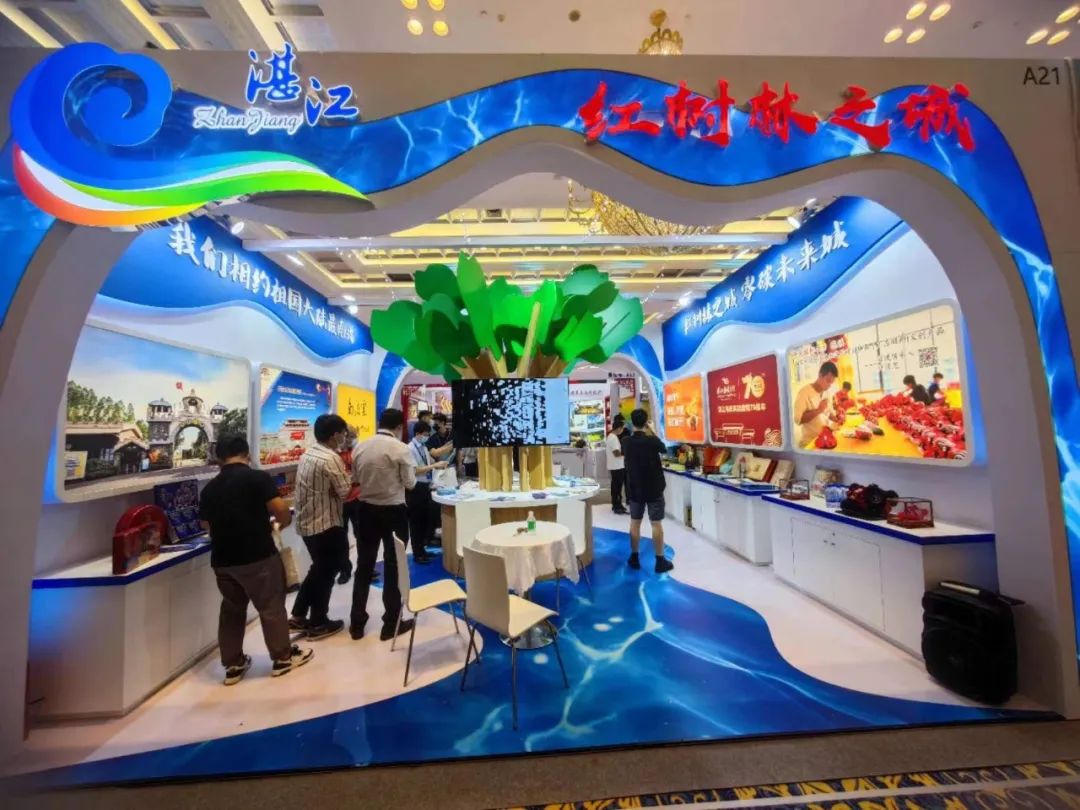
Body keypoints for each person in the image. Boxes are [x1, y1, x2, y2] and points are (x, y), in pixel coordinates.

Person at [198, 435, 313, 684]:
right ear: (246, 453)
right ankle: (282, 658)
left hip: (223, 561)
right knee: (271, 607)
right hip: (257, 555)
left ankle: (233, 664)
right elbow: (281, 510)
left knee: (231, 610)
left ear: (219, 458)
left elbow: (206, 524)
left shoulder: (210, 488)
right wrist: (279, 524)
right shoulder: (256, 478)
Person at [350, 408, 416, 642]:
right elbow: (410, 483)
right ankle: (391, 624)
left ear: (380, 422)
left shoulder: (361, 447)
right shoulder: (401, 448)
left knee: (364, 565)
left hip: (366, 510)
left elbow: (355, 479)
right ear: (400, 427)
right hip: (393, 511)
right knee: (393, 565)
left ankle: (356, 624)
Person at [290, 414, 351, 641]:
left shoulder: (308, 453)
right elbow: (345, 492)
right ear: (335, 435)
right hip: (326, 524)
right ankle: (318, 622)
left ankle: (298, 615)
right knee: (326, 573)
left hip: (308, 523)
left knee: (318, 569)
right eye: (343, 433)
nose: (345, 437)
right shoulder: (331, 458)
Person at [623, 409, 673, 574]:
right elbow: (664, 449)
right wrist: (651, 430)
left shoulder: (626, 442)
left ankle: (634, 557)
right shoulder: (652, 441)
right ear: (645, 422)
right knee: (656, 523)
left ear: (632, 422)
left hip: (635, 488)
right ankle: (660, 561)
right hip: (654, 488)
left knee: (635, 522)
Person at [406, 420, 448, 564]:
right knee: (416, 522)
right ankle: (417, 553)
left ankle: (423, 549)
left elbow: (429, 463)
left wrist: (438, 465)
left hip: (426, 486)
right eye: (425, 434)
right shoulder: (410, 449)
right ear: (417, 433)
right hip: (416, 487)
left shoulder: (423, 447)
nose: (427, 437)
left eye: (428, 434)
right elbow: (415, 470)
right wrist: (434, 466)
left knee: (425, 520)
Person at [794, 361, 839, 446]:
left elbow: (828, 413)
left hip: (825, 439)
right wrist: (818, 410)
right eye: (828, 381)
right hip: (810, 443)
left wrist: (836, 418)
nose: (829, 385)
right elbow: (798, 420)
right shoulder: (804, 393)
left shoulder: (826, 392)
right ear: (820, 375)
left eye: (831, 383)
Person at [606, 415, 628, 515]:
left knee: (615, 486)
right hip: (617, 466)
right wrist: (625, 454)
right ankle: (617, 506)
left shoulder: (610, 436)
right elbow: (616, 453)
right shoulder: (614, 438)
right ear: (619, 428)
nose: (622, 430)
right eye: (622, 428)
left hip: (614, 466)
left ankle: (616, 504)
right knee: (617, 487)